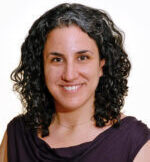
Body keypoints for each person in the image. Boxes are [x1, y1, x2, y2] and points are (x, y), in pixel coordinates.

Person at [0, 3, 150, 162]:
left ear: (101, 65)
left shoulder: (135, 142)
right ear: (41, 67)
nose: (69, 75)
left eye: (83, 58)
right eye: (57, 59)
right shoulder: (16, 136)